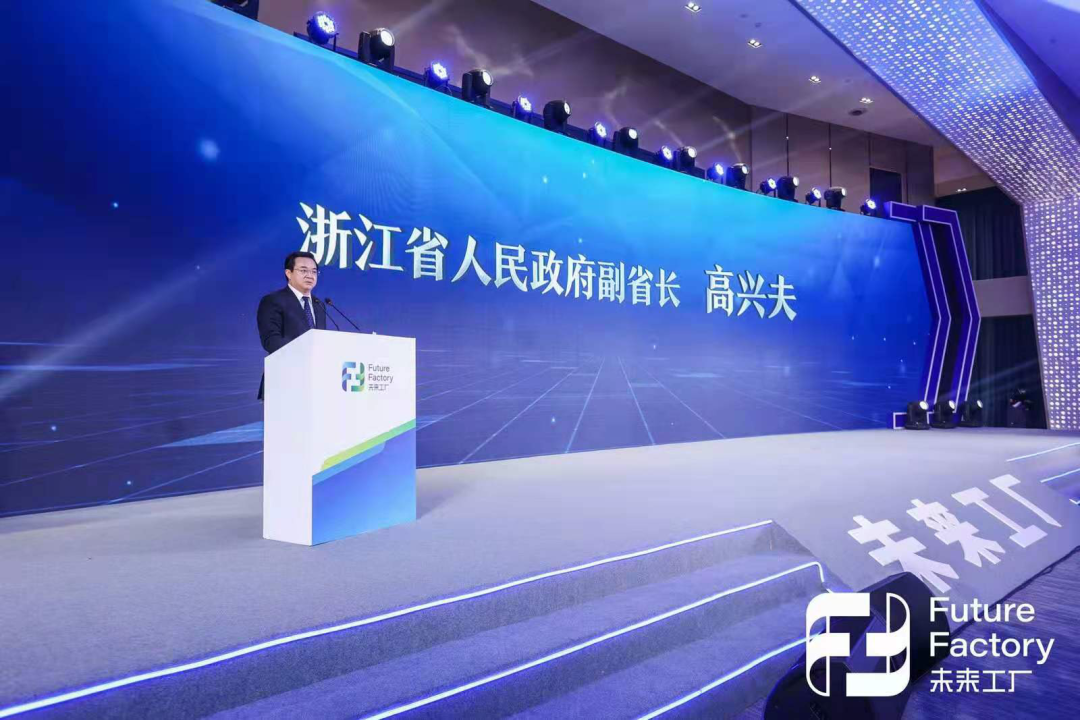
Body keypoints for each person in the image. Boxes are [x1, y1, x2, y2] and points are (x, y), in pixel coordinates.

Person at [256, 251, 327, 399]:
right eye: (303, 270)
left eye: (314, 271)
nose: (310, 275)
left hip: (314, 384)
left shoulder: (319, 305)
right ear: (288, 273)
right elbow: (271, 340)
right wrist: (303, 355)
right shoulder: (273, 300)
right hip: (283, 382)